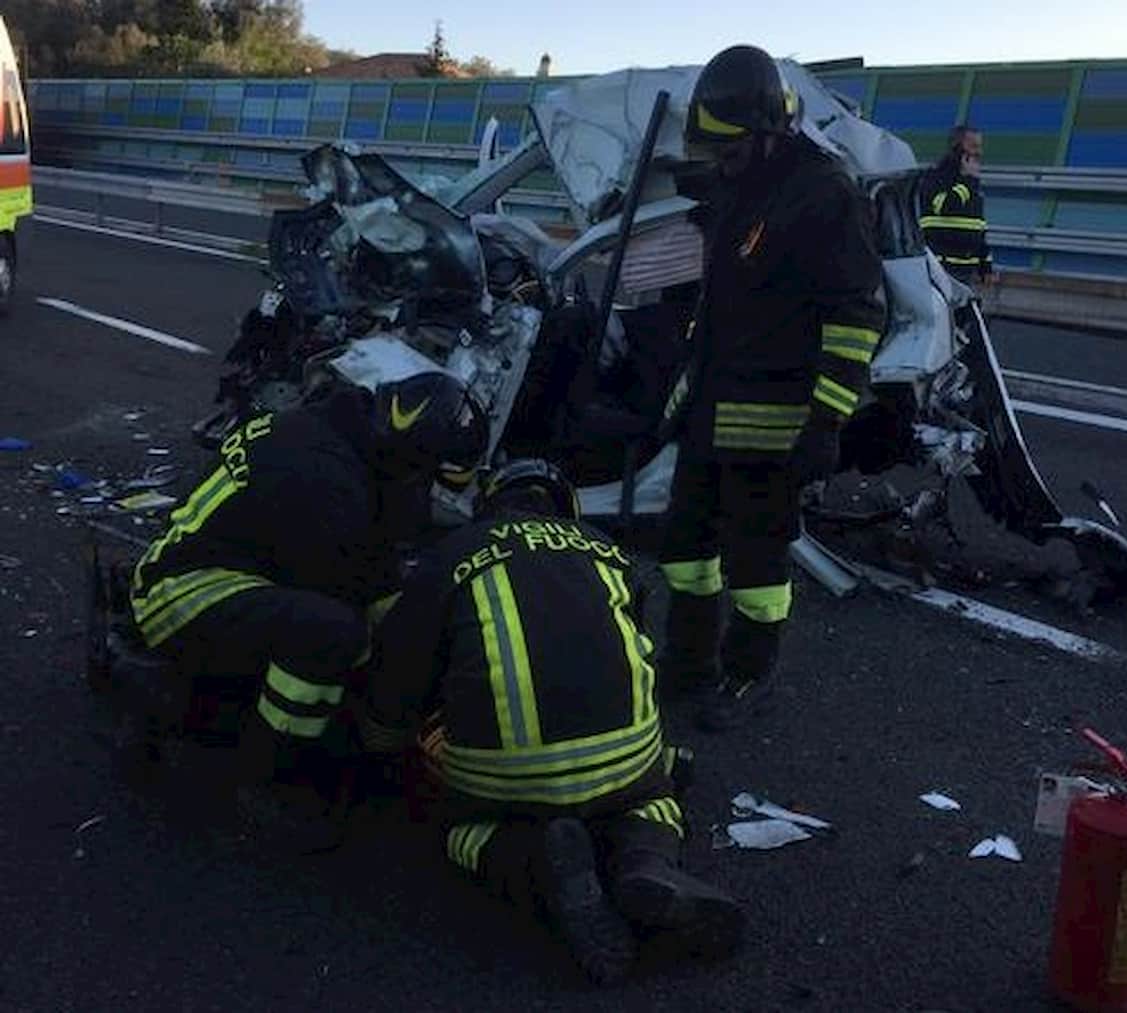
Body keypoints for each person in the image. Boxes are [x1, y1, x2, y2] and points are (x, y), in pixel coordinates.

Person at [363, 459, 744, 986]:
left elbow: (401, 667)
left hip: (504, 777)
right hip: (628, 755)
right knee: (653, 798)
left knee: (454, 823)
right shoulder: (609, 550)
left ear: (489, 505)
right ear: (567, 505)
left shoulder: (450, 556)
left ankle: (532, 858)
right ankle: (641, 858)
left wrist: (382, 744)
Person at [125, 371, 489, 848]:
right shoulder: (323, 475)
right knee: (332, 635)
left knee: (349, 628)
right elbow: (352, 589)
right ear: (411, 456)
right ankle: (266, 779)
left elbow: (376, 566)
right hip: (181, 590)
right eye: (431, 475)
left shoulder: (346, 438)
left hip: (234, 570)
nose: (429, 490)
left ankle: (228, 713)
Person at [658, 45, 886, 731]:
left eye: (729, 148)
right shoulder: (742, 184)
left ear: (766, 133)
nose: (719, 160)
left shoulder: (823, 193)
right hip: (710, 408)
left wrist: (827, 419)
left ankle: (746, 673)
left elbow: (857, 314)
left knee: (755, 566)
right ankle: (688, 663)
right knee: (684, 549)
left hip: (774, 424)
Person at [919, 124, 993, 288]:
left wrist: (985, 265)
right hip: (941, 268)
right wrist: (968, 182)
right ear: (957, 147)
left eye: (980, 147)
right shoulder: (936, 177)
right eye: (973, 146)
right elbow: (945, 207)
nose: (979, 153)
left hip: (967, 270)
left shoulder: (972, 183)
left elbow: (979, 226)